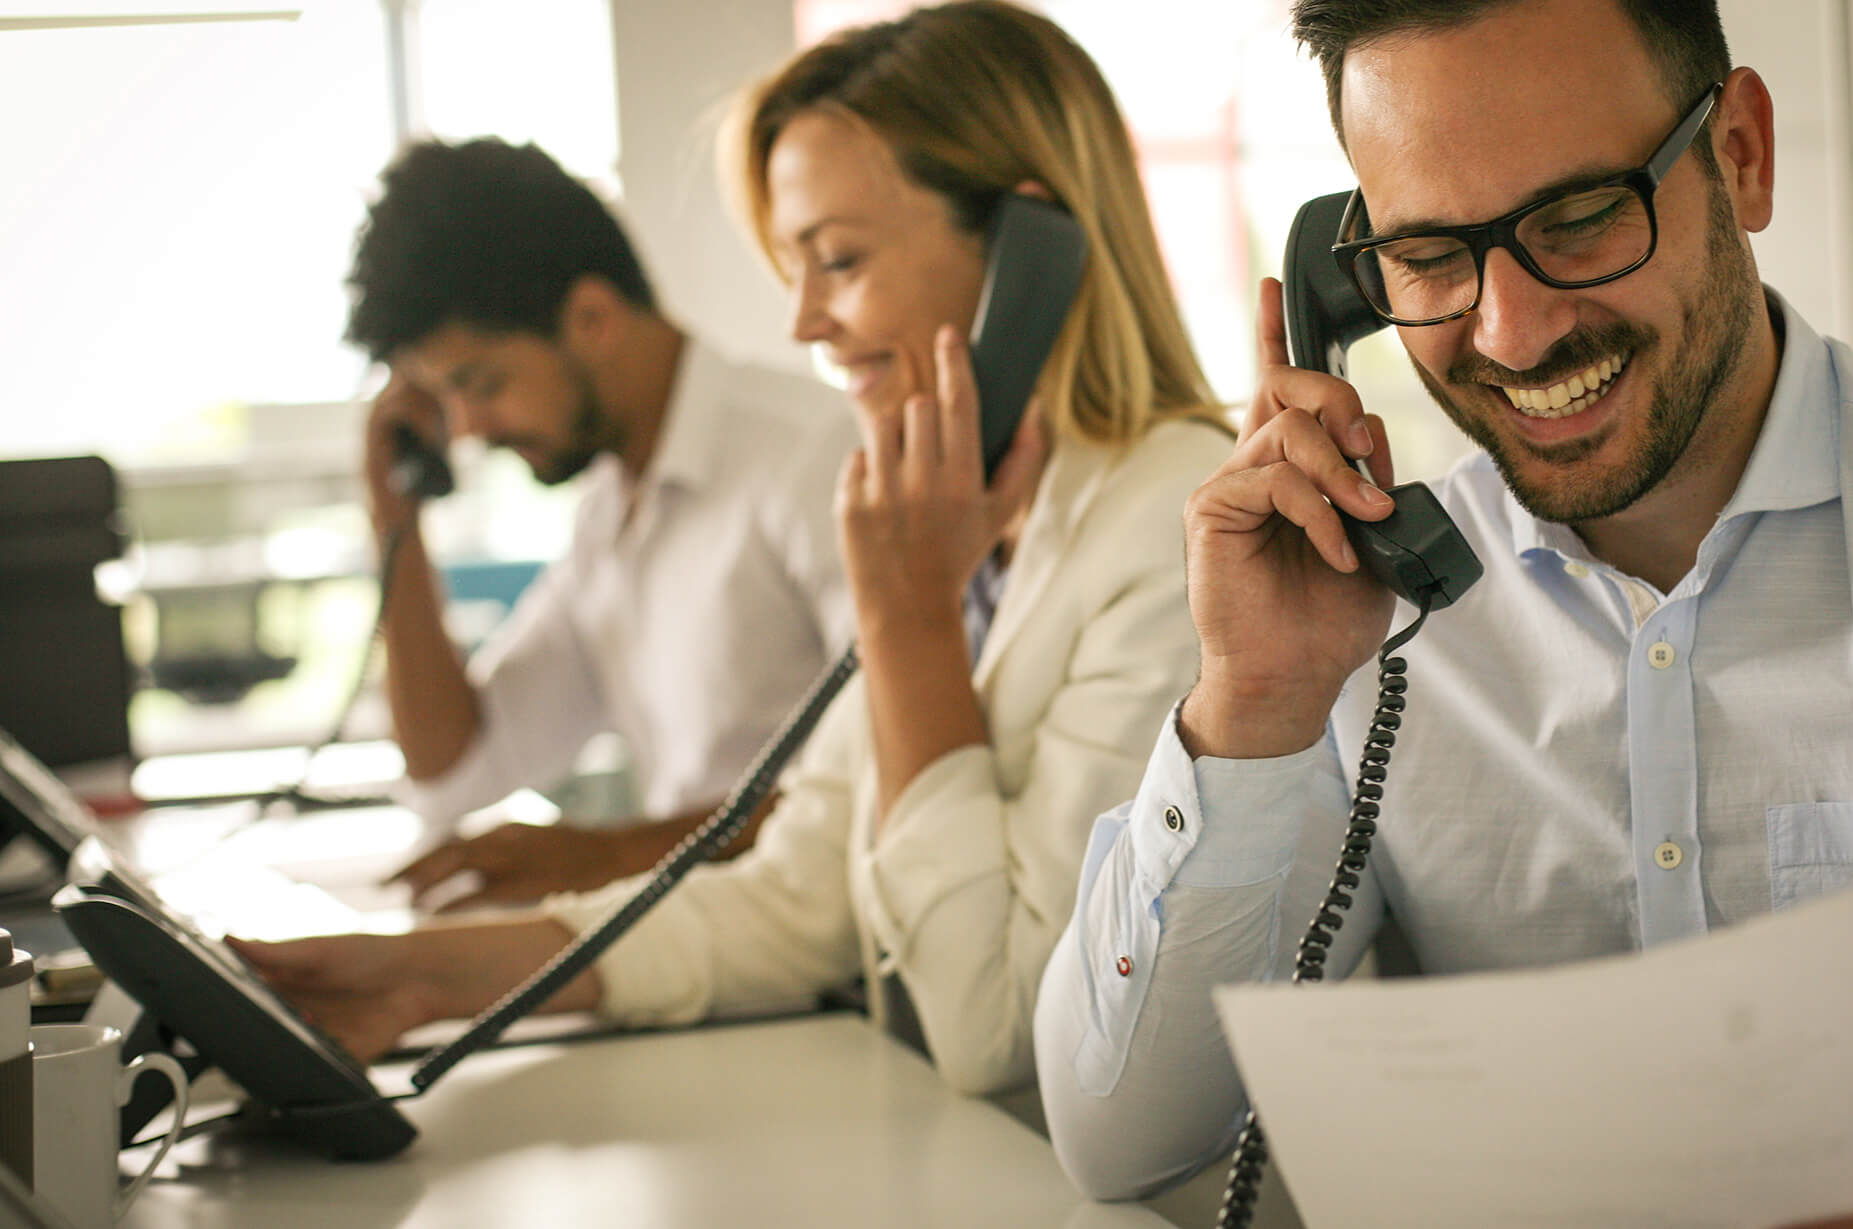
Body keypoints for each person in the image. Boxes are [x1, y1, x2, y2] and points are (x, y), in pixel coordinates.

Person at [1032, 0, 1853, 1224]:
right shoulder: (1379, 611)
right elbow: (1120, 1139)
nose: (1511, 329)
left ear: (1740, 155)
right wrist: (1251, 704)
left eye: (1580, 220)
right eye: (1429, 257)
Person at [238, 0, 1231, 1098]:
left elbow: (994, 1022)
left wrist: (906, 626)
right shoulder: (961, 514)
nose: (804, 320)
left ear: (1026, 252)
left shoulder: (1171, 524)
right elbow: (796, 894)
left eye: (838, 259)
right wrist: (416, 973)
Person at [345, 137, 858, 907]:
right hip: (704, 963)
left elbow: (890, 783)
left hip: (832, 978)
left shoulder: (813, 458)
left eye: (482, 383)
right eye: (446, 400)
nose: (470, 429)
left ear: (591, 316)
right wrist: (394, 517)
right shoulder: (609, 517)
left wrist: (611, 856)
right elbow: (454, 772)